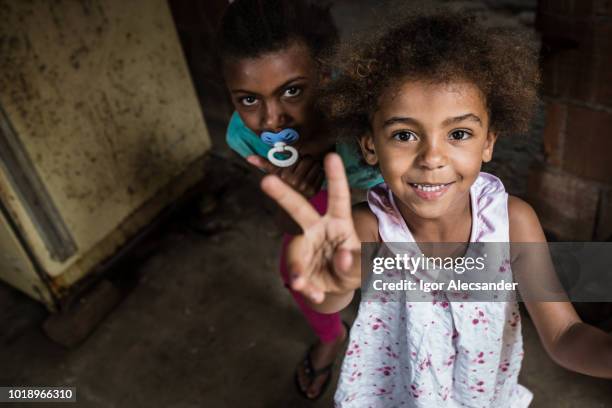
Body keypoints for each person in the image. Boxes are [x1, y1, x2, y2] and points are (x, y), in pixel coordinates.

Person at [260, 9, 612, 407]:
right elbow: (331, 297)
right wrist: (330, 286)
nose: (432, 157)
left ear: (488, 143)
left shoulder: (512, 223)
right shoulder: (370, 229)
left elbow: (564, 335)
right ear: (370, 145)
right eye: (405, 134)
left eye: (458, 133)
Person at [216, 0, 382, 399]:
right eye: (248, 99)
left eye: (291, 91)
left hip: (390, 192)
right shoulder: (247, 137)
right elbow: (291, 222)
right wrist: (293, 194)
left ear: (325, 74)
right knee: (300, 274)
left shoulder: (370, 108)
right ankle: (331, 336)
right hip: (320, 201)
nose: (272, 120)